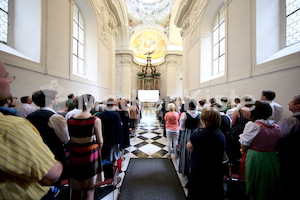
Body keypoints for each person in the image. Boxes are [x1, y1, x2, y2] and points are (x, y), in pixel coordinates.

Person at [0, 60, 63, 199]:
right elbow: (52, 172)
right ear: (51, 100)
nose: (9, 80)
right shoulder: (14, 125)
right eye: (5, 76)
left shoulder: (30, 115)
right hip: (49, 162)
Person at [26, 89, 70, 186]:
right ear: (52, 100)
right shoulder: (55, 117)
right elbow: (65, 139)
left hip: (37, 153)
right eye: (57, 98)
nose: (58, 100)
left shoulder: (30, 116)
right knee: (55, 183)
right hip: (54, 154)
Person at [239, 101, 281, 200]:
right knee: (269, 180)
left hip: (256, 156)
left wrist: (243, 149)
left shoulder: (253, 125)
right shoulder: (275, 126)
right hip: (271, 156)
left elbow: (244, 143)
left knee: (256, 179)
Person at [67, 94, 104, 200]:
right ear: (91, 104)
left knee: (76, 188)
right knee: (89, 189)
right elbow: (100, 141)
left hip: (75, 153)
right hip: (90, 154)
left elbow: (70, 137)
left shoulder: (70, 119)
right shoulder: (95, 120)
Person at [186, 107, 226, 200]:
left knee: (198, 193)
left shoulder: (198, 135)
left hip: (200, 169)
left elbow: (189, 147)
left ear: (203, 120)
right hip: (215, 169)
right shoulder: (221, 135)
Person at [276, 95, 300, 200]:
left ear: (297, 106)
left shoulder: (290, 120)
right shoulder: (279, 107)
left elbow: (278, 136)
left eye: (291, 101)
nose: (288, 103)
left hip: (289, 153)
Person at [95, 98, 123, 179]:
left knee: (104, 157)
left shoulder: (100, 115)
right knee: (113, 159)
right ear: (114, 105)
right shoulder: (115, 115)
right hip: (113, 141)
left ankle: (103, 176)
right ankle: (112, 178)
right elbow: (119, 130)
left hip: (103, 140)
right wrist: (121, 143)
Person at [178, 100, 201, 177]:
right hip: (196, 132)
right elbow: (200, 125)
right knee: (195, 151)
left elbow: (182, 127)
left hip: (187, 133)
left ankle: (185, 169)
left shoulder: (185, 114)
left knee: (185, 150)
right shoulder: (199, 114)